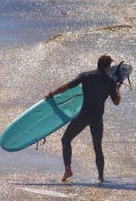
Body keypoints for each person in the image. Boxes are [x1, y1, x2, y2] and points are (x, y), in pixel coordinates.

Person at [46, 54, 121, 183]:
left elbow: (67, 86)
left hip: (83, 115)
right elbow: (116, 102)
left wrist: (52, 94)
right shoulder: (110, 81)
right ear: (108, 67)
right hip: (97, 117)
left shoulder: (86, 76)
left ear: (98, 64)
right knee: (97, 147)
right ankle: (101, 177)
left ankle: (68, 170)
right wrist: (117, 89)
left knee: (66, 139)